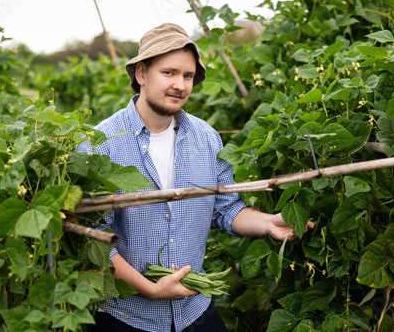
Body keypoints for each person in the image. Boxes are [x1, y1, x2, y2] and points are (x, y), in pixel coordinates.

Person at [79, 23, 314, 332]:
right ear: (141, 74)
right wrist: (149, 288)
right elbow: (94, 238)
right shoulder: (101, 143)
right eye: (169, 73)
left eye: (187, 76)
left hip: (195, 308)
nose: (180, 85)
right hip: (127, 316)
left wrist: (269, 222)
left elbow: (226, 208)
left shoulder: (206, 137)